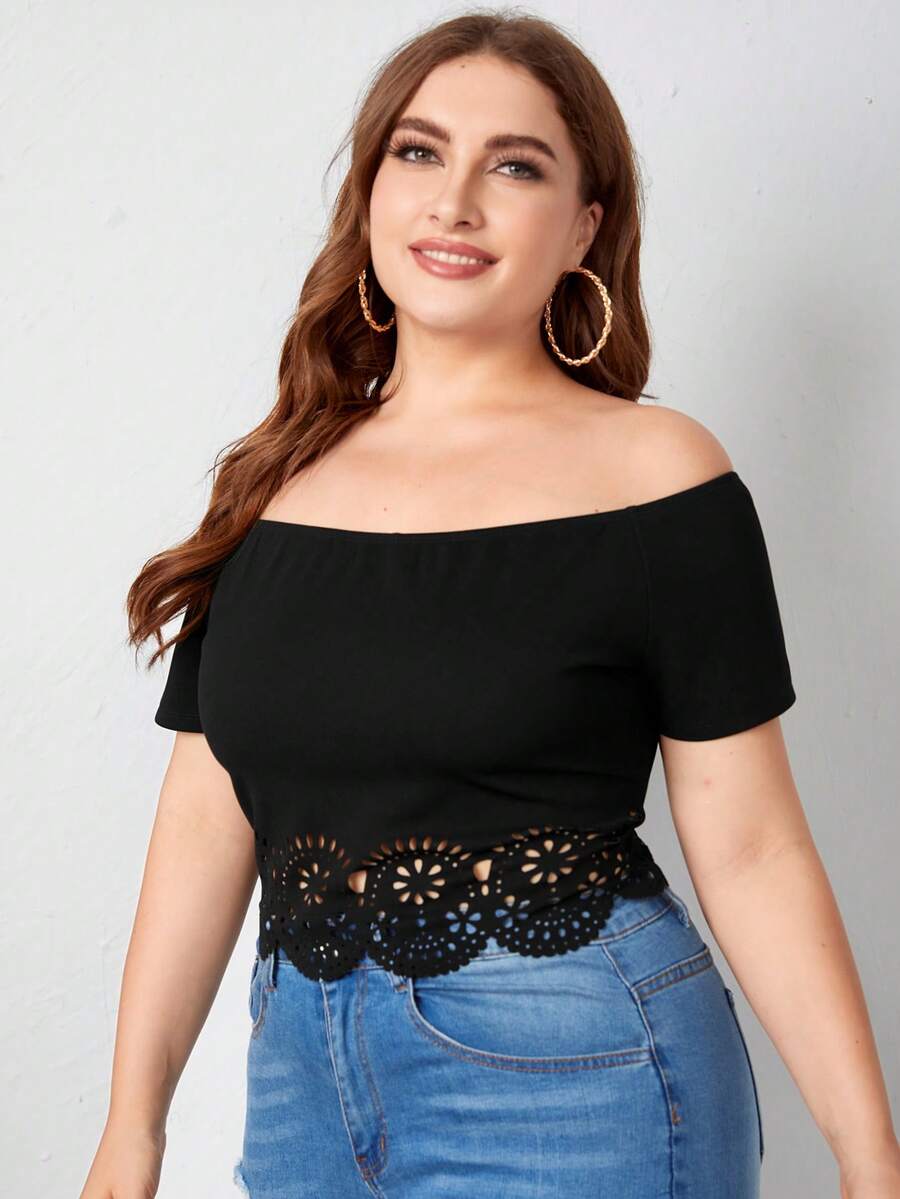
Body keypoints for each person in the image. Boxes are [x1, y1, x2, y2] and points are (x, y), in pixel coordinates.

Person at [82, 12, 899, 1199]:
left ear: (584, 227)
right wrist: (132, 1122)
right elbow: (208, 818)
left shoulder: (658, 476)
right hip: (306, 1080)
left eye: (514, 166)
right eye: (419, 152)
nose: (454, 201)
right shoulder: (273, 483)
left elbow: (753, 843)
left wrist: (872, 1156)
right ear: (371, 194)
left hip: (579, 1067)